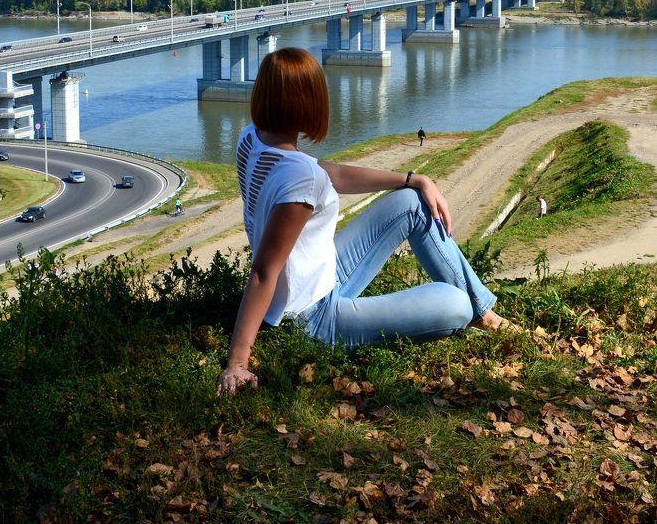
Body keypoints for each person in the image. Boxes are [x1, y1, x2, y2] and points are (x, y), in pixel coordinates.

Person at [217, 47, 516, 398]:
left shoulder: (251, 139)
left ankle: (483, 313)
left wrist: (412, 179)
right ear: (309, 103)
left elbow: (334, 174)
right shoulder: (301, 179)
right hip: (313, 318)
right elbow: (263, 272)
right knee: (455, 305)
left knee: (410, 201)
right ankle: (474, 309)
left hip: (319, 278)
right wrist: (237, 362)